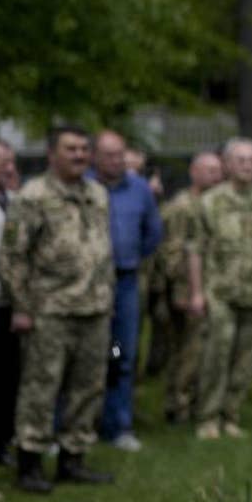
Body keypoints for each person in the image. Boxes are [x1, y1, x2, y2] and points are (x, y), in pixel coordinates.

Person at [0, 126, 116, 492]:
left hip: (94, 308)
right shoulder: (33, 196)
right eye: (71, 149)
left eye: (84, 149)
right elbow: (13, 257)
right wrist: (22, 307)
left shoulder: (97, 193)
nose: (80, 155)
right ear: (52, 154)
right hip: (49, 309)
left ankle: (73, 459)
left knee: (88, 388)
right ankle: (30, 462)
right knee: (40, 388)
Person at [187, 137, 252, 440]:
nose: (247, 166)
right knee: (217, 355)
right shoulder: (210, 202)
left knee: (246, 359)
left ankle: (231, 414)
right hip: (221, 292)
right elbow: (195, 250)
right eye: (241, 160)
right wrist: (196, 292)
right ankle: (208, 417)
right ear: (228, 164)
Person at [88, 130, 163, 452]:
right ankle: (68, 426)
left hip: (125, 283)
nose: (116, 161)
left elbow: (153, 233)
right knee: (82, 356)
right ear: (95, 157)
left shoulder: (139, 190)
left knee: (119, 353)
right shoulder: (85, 187)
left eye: (120, 154)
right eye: (109, 155)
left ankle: (117, 425)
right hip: (85, 285)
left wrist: (129, 259)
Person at [156, 151, 223, 423]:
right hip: (186, 291)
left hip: (211, 287)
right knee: (187, 351)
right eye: (209, 170)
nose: (216, 176)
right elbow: (171, 253)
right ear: (194, 172)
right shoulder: (183, 207)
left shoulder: (216, 204)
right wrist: (183, 290)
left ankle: (195, 400)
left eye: (218, 170)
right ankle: (178, 405)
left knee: (203, 351)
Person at [0, 138, 21, 466]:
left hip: (8, 304)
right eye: (5, 164)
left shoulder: (13, 201)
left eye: (12, 162)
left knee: (6, 377)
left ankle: (0, 443)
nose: (12, 169)